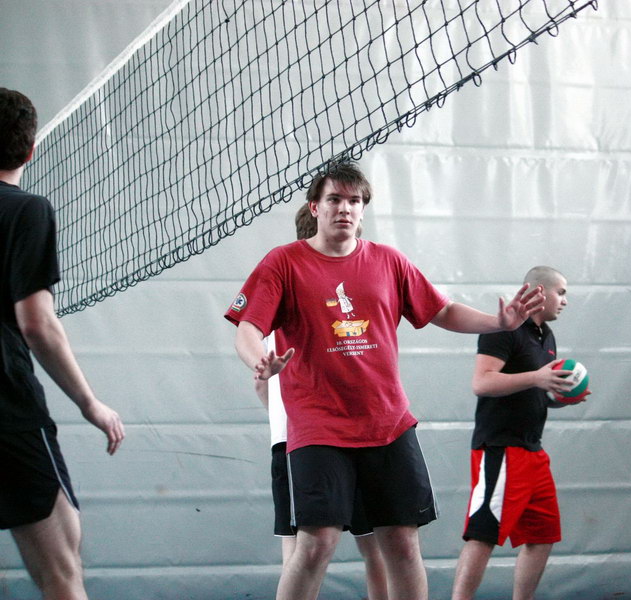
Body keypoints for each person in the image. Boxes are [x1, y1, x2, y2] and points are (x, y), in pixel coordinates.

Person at [225, 161, 544, 600]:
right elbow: (247, 328)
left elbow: (442, 310)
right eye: (334, 199)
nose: (345, 208)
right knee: (316, 545)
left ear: (362, 209)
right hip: (318, 427)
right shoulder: (284, 262)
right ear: (315, 207)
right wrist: (259, 360)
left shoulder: (388, 261)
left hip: (387, 424)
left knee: (403, 544)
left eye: (354, 201)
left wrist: (498, 323)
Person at [0, 88, 125, 600]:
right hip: (5, 410)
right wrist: (90, 403)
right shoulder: (27, 210)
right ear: (31, 150)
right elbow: (37, 324)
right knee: (61, 568)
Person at [255, 202, 388, 600]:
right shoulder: (283, 295)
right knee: (320, 549)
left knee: (311, 550)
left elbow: (261, 385)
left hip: (341, 435)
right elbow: (262, 378)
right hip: (303, 440)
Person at [450, 265, 588, 600]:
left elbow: (530, 389)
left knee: (542, 537)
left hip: (532, 451)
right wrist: (538, 378)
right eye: (561, 292)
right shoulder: (504, 329)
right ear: (539, 291)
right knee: (483, 534)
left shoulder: (546, 336)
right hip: (501, 448)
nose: (565, 301)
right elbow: (482, 383)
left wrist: (558, 399)